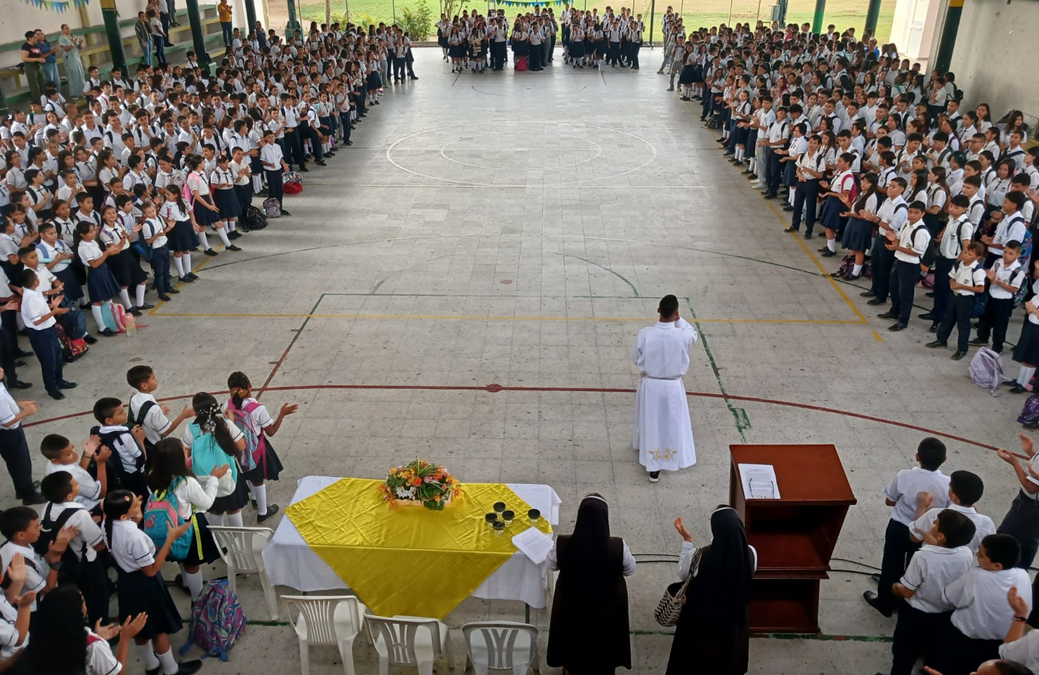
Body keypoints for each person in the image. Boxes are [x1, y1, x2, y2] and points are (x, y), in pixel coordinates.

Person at [103, 490, 202, 675]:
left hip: (126, 582)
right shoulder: (135, 537)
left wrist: (136, 514)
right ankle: (172, 670)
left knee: (139, 629)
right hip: (144, 585)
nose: (139, 502)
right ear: (124, 515)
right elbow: (151, 570)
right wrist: (170, 539)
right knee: (158, 630)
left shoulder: (108, 524)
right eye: (135, 503)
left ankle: (151, 665)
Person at [547, 493, 635, 674]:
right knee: (605, 641)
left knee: (573, 638)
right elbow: (629, 570)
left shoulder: (563, 543)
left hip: (572, 606)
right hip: (607, 608)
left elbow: (551, 564)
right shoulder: (618, 546)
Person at [864, 437, 951, 618]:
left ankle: (885, 603)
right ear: (945, 459)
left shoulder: (904, 475)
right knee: (916, 566)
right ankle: (907, 600)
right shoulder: (948, 483)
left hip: (899, 526)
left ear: (917, 456)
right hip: (927, 532)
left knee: (891, 563)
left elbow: (890, 500)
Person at [666, 508, 755, 675]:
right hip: (733, 626)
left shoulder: (699, 556)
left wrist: (687, 540)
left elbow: (683, 573)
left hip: (701, 623)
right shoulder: (751, 554)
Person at [887, 509, 976, 675]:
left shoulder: (922, 557)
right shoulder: (966, 554)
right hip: (945, 614)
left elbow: (907, 592)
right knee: (933, 654)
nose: (932, 523)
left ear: (941, 536)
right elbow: (942, 552)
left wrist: (896, 587)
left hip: (916, 614)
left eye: (935, 523)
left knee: (903, 655)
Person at [930, 534, 1031, 675]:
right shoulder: (1023, 575)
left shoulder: (975, 575)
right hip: (1000, 644)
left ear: (997, 565)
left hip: (964, 640)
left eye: (981, 555)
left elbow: (948, 598)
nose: (977, 554)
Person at [631, 294, 698, 483]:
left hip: (651, 385)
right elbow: (693, 333)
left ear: (658, 310)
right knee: (671, 422)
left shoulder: (645, 333)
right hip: (672, 386)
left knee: (652, 422)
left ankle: (653, 464)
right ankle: (671, 455)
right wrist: (679, 318)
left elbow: (635, 356)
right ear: (676, 313)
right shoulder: (682, 335)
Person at [39, 471, 110, 625]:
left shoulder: (48, 507)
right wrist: (103, 519)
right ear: (70, 496)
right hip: (85, 561)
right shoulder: (79, 513)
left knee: (80, 594)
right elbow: (99, 545)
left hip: (65, 562)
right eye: (75, 483)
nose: (77, 482)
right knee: (97, 595)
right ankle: (101, 626)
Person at [28, 584, 148, 675]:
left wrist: (97, 636)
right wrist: (125, 639)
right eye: (83, 602)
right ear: (80, 612)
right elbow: (118, 673)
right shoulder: (94, 647)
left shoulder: (42, 639)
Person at [225, 371, 295, 522]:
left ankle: (255, 497)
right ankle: (262, 512)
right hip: (256, 446)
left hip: (237, 446)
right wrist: (282, 413)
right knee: (258, 479)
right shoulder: (258, 408)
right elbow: (271, 431)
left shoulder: (226, 405)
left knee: (246, 471)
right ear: (250, 385)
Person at [183, 392, 249, 527]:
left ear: (196, 412)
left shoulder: (191, 429)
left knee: (214, 511)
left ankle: (221, 545)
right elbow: (241, 446)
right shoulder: (225, 424)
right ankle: (238, 543)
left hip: (204, 477)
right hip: (228, 473)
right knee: (234, 509)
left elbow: (186, 452)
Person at [18, 268, 75, 400]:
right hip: (40, 333)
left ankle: (59, 381)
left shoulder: (34, 292)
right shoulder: (29, 300)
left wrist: (52, 305)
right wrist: (54, 312)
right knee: (48, 361)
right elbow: (37, 321)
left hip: (48, 328)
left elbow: (41, 309)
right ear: (35, 282)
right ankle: (52, 388)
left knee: (57, 356)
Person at [910, 470, 996, 554]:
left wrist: (921, 508)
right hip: (962, 565)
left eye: (950, 487)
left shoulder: (935, 514)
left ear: (954, 497)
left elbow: (915, 537)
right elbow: (989, 549)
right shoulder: (986, 522)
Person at [928, 241, 987, 360]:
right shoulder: (959, 264)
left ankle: (962, 348)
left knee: (963, 324)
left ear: (977, 257)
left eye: (970, 254)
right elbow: (952, 277)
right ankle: (941, 340)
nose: (966, 255)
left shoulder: (977, 270)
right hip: (954, 295)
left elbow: (980, 289)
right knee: (948, 319)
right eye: (965, 252)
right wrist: (953, 283)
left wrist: (962, 286)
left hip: (966, 299)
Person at [0, 366, 44, 505]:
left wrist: (17, 404)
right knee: (21, 463)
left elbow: (5, 403)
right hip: (9, 434)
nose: (1, 369)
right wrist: (26, 412)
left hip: (6, 434)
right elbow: (7, 422)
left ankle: (23, 488)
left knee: (15, 463)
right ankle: (28, 494)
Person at [971, 240, 1024, 354]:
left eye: (1011, 253)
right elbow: (991, 273)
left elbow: (1014, 289)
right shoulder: (998, 262)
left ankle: (997, 346)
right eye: (1005, 252)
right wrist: (990, 277)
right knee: (985, 319)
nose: (1006, 255)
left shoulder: (1018, 271)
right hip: (992, 295)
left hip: (1004, 301)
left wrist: (999, 283)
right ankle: (982, 338)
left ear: (1017, 255)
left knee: (1000, 324)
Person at [995, 435, 1039, 569]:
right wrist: (1031, 453)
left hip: (1028, 508)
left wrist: (1014, 462)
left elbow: (1031, 487)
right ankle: (1020, 574)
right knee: (1029, 541)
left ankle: (997, 571)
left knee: (1004, 542)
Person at [41, 433, 109, 513]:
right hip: (89, 509)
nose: (75, 454)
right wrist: (101, 463)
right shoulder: (75, 476)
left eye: (73, 447)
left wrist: (87, 454)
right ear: (55, 460)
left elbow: (79, 469)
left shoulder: (54, 463)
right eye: (69, 454)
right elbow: (100, 493)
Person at [58, 24, 85, 96]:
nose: (68, 30)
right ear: (63, 30)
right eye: (66, 28)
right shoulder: (62, 38)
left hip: (76, 56)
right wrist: (73, 43)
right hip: (69, 57)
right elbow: (65, 49)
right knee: (73, 74)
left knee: (80, 74)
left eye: (68, 28)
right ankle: (74, 94)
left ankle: (82, 92)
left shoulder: (73, 36)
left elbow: (79, 48)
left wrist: (80, 43)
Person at [20, 32, 46, 106]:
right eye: (34, 37)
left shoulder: (35, 45)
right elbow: (24, 58)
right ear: (29, 38)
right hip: (30, 66)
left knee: (42, 83)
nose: (36, 38)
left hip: (38, 66)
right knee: (34, 85)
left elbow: (39, 54)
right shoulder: (26, 46)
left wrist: (41, 59)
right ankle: (38, 102)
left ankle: (44, 100)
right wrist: (37, 59)